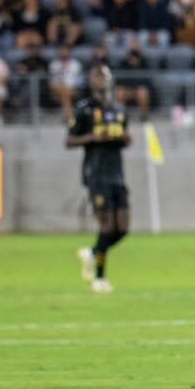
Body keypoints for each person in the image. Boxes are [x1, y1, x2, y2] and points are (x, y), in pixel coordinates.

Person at [66, 64, 131, 293]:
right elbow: (69, 141)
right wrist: (93, 137)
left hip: (117, 174)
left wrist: (125, 138)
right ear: (91, 81)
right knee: (106, 226)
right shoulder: (84, 109)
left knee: (122, 229)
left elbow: (124, 137)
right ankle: (100, 279)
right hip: (96, 174)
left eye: (104, 74)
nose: (101, 78)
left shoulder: (119, 109)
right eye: (97, 75)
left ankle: (91, 253)